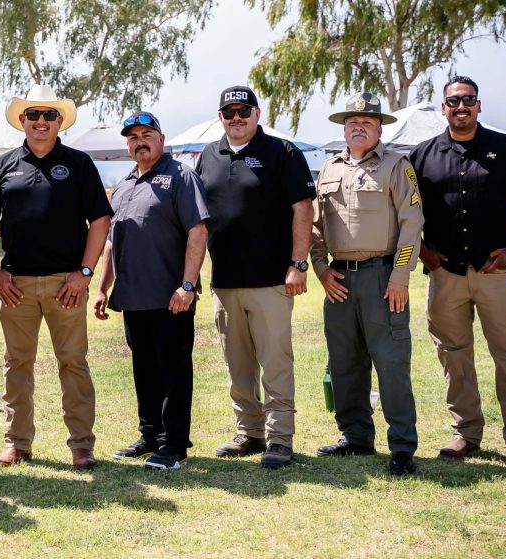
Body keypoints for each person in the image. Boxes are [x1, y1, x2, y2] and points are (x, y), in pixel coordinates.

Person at [409, 75, 506, 468]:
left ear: (479, 105)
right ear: (444, 108)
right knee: (453, 355)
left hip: (495, 272)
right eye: (453, 102)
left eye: (468, 100)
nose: (461, 107)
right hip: (445, 273)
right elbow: (400, 211)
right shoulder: (421, 155)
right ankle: (466, 432)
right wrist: (422, 253)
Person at [0, 85, 113, 469]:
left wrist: (85, 273)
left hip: (65, 285)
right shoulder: (3, 166)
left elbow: (100, 219)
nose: (40, 122)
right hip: (15, 286)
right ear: (22, 120)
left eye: (49, 116)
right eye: (33, 115)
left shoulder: (80, 163)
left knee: (73, 363)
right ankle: (17, 442)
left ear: (59, 122)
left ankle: (81, 446)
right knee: (17, 363)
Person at [195, 86, 315, 469]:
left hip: (271, 281)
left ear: (257, 113)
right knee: (238, 364)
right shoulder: (207, 156)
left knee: (275, 361)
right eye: (229, 112)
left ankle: (280, 438)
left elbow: (303, 209)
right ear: (220, 117)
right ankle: (249, 432)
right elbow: (198, 220)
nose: (236, 118)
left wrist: (298, 264)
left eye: (243, 111)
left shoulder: (282, 152)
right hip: (225, 282)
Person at [311, 92, 424, 476]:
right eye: (352, 122)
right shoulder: (328, 169)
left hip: (382, 278)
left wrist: (400, 276)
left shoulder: (397, 166)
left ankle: (402, 447)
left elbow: (412, 224)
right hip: (338, 280)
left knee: (391, 364)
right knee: (344, 363)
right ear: (344, 128)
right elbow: (314, 226)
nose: (359, 127)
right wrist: (321, 270)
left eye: (368, 122)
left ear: (379, 129)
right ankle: (356, 436)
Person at [94, 111, 209, 471]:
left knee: (173, 372)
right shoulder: (125, 184)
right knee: (144, 369)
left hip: (170, 297)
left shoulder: (180, 176)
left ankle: (174, 445)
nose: (139, 141)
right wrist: (102, 288)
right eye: (133, 137)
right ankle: (149, 435)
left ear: (161, 138)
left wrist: (188, 285)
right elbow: (112, 241)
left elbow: (198, 231)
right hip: (132, 296)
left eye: (147, 134)